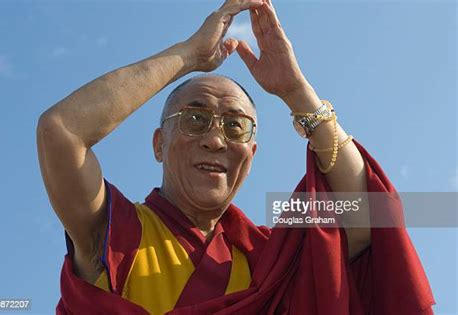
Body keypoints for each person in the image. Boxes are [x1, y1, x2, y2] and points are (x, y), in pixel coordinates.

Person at [36, 0, 435, 314]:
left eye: (235, 126)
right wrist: (189, 55)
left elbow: (373, 217)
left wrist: (297, 92)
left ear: (252, 154)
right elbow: (62, 131)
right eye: (194, 119)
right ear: (159, 144)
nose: (215, 139)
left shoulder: (271, 260)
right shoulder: (115, 234)